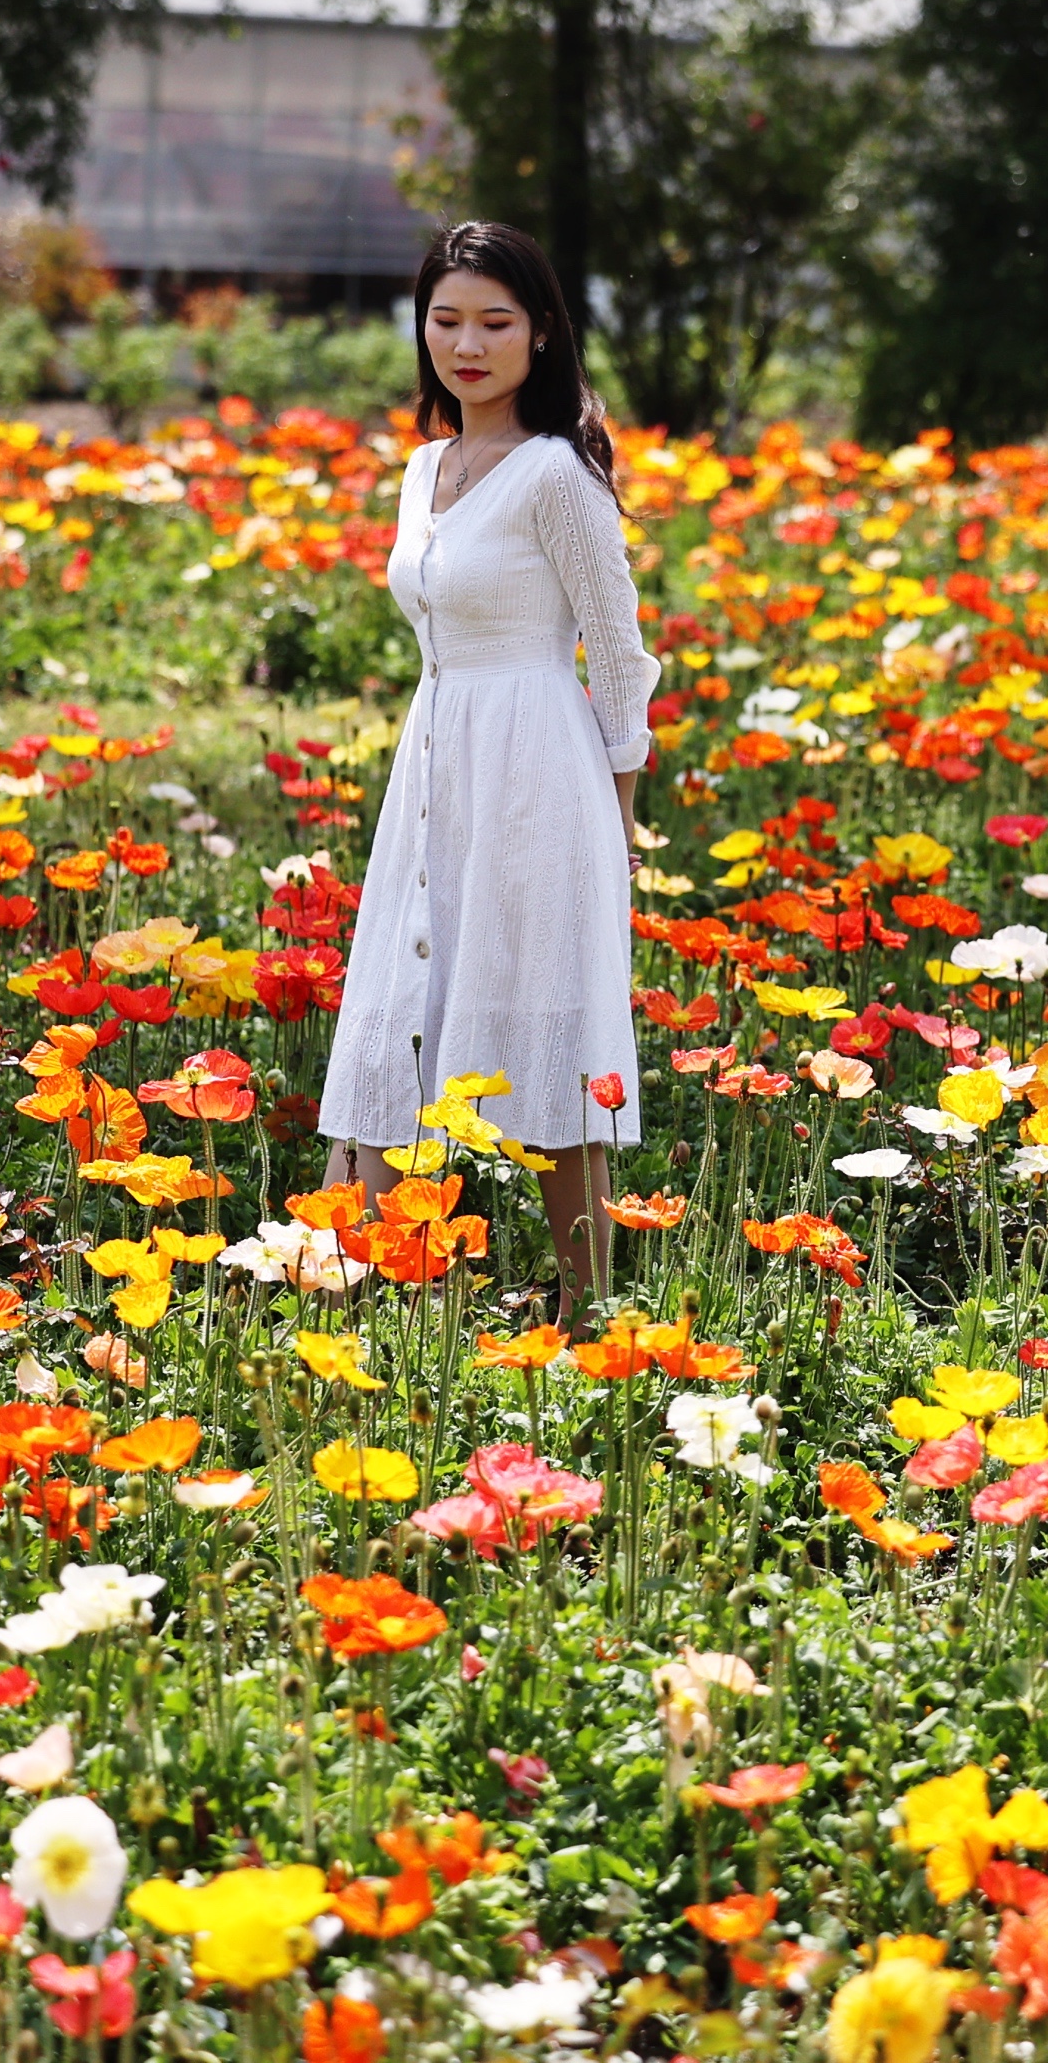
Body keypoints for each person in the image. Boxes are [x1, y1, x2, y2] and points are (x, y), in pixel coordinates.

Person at [316, 221, 658, 1319]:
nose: (468, 343)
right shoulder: (427, 469)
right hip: (435, 764)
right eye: (447, 320)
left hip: (537, 776)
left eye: (496, 322)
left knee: (544, 1031)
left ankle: (585, 1313)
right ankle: (375, 1309)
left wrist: (614, 833)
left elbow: (617, 654)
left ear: (542, 334)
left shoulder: (558, 475)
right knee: (400, 1015)